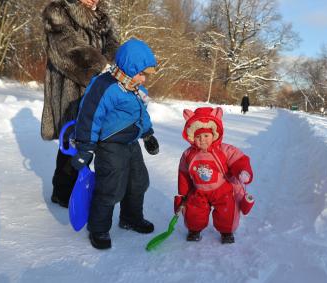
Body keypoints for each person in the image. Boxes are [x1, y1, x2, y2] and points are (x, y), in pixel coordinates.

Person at [71, 38, 159, 250]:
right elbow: (89, 116)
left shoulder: (135, 89)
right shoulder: (106, 86)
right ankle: (99, 228)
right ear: (130, 68)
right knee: (111, 187)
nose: (144, 79)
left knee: (138, 182)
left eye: (146, 75)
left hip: (130, 143)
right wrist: (86, 147)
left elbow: (140, 114)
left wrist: (147, 135)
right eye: (141, 74)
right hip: (109, 146)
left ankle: (130, 218)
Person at [41, 0, 119, 208]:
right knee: (72, 143)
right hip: (71, 91)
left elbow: (114, 46)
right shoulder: (58, 12)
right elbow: (67, 50)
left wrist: (115, 67)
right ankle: (63, 192)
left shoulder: (102, 16)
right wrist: (101, 69)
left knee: (94, 141)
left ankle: (87, 189)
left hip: (99, 92)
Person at [175, 107, 254, 244]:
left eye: (206, 136)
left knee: (227, 211)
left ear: (214, 134)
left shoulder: (224, 150)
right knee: (194, 210)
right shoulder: (188, 154)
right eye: (198, 137)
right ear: (193, 138)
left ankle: (226, 231)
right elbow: (183, 174)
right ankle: (194, 230)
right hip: (199, 190)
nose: (202, 140)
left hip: (221, 189)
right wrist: (183, 194)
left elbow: (238, 159)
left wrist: (242, 171)